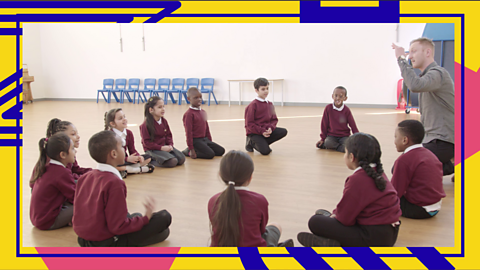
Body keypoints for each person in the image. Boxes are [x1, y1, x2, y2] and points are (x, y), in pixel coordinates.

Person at [298, 133, 401, 247]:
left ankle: (332, 243)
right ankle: (331, 226)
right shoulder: (379, 172)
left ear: (351, 157)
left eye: (345, 153)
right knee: (332, 215)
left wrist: (336, 217)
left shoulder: (357, 179)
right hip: (390, 234)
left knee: (315, 221)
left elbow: (346, 219)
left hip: (372, 239)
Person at [73, 130, 171, 247]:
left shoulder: (86, 176)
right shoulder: (114, 183)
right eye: (122, 147)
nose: (124, 150)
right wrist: (146, 219)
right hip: (105, 242)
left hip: (83, 238)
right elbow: (118, 227)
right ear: (114, 154)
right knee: (164, 219)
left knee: (135, 216)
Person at [392, 38, 454, 176]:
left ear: (427, 52)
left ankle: (454, 162)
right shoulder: (427, 77)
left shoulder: (438, 74)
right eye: (409, 52)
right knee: (402, 166)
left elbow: (414, 85)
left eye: (414, 51)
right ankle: (451, 165)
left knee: (405, 168)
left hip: (444, 141)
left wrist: (401, 58)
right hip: (432, 140)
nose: (410, 56)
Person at [208, 150, 293, 247]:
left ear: (220, 174)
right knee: (276, 226)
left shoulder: (213, 201)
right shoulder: (259, 200)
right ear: (251, 177)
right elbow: (261, 230)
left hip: (219, 255)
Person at [392, 120, 445, 219]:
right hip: (435, 207)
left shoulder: (403, 160)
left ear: (404, 140)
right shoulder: (429, 154)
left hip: (419, 209)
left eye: (395, 137)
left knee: (381, 199)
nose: (394, 141)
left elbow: (395, 192)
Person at [30, 132, 77, 230]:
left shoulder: (47, 166)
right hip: (47, 221)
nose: (75, 151)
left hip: (37, 218)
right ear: (63, 155)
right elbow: (75, 197)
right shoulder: (61, 172)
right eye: (72, 149)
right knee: (85, 205)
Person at [104, 108, 154, 178]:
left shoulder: (129, 133)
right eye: (120, 118)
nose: (124, 119)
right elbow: (111, 157)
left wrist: (138, 156)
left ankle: (126, 170)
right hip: (115, 161)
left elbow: (132, 150)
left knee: (148, 158)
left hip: (125, 160)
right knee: (110, 166)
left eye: (124, 116)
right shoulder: (110, 136)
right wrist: (127, 159)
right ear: (112, 123)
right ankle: (137, 169)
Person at [244, 78, 287, 155]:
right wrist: (262, 131)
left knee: (283, 131)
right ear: (256, 90)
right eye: (263, 89)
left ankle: (262, 143)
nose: (266, 91)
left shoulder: (270, 104)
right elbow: (249, 124)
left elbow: (274, 120)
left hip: (265, 130)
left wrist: (270, 128)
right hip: (255, 132)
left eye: (267, 88)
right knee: (266, 151)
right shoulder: (253, 105)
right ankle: (251, 142)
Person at [139, 96, 185, 168]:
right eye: (160, 107)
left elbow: (169, 135)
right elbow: (147, 143)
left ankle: (165, 156)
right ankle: (150, 159)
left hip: (164, 147)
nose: (163, 109)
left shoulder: (164, 121)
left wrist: (170, 145)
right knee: (172, 162)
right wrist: (161, 148)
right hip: (153, 149)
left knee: (181, 159)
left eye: (163, 106)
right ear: (151, 110)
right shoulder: (145, 125)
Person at [182, 87, 225, 159]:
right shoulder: (189, 114)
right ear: (189, 99)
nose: (199, 99)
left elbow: (206, 128)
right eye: (196, 98)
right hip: (196, 141)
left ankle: (200, 149)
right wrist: (191, 148)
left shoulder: (203, 112)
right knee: (210, 154)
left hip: (204, 139)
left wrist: (210, 141)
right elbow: (188, 132)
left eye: (200, 97)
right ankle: (188, 151)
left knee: (221, 151)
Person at [316, 86, 359, 152]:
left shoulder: (346, 110)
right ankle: (340, 148)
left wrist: (357, 137)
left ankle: (335, 147)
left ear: (345, 98)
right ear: (332, 96)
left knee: (347, 144)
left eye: (341, 96)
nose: (337, 98)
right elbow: (324, 124)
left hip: (344, 136)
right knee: (328, 142)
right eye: (336, 96)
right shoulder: (328, 108)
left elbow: (352, 124)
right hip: (332, 136)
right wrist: (322, 138)